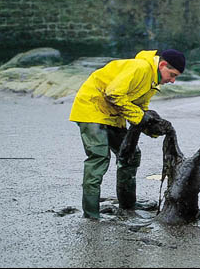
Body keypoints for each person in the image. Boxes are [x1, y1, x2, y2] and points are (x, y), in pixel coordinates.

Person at [69, 49, 186, 219]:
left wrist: (152, 129)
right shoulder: (140, 68)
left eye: (176, 77)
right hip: (92, 109)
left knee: (131, 155)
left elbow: (140, 109)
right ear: (162, 65)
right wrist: (141, 118)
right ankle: (91, 214)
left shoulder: (153, 82)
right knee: (99, 158)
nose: (173, 80)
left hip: (112, 116)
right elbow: (113, 94)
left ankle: (128, 205)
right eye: (172, 74)